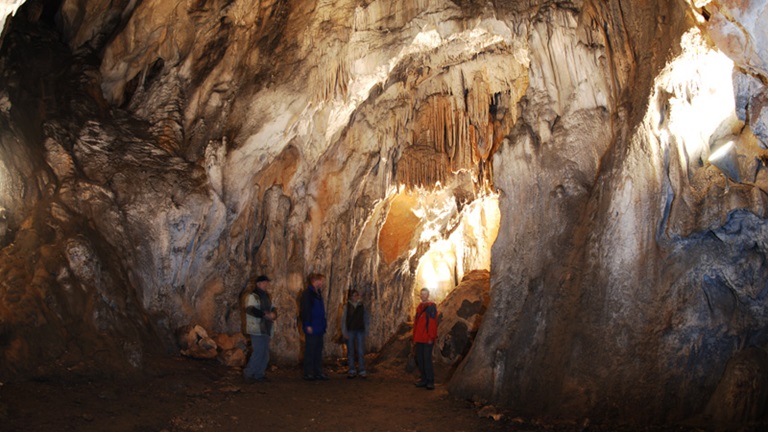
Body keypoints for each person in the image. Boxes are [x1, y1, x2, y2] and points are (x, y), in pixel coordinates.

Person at [243, 275, 277, 383]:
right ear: (258, 284)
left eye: (267, 282)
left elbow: (273, 308)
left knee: (265, 352)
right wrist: (264, 314)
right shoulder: (253, 296)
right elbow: (250, 309)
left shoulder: (267, 296)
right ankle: (249, 373)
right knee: (258, 351)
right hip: (257, 327)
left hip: (266, 327)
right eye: (264, 283)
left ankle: (259, 374)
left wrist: (274, 314)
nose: (266, 284)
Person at [300, 273, 328, 381]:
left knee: (318, 350)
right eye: (321, 280)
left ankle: (318, 371)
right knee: (310, 350)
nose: (322, 283)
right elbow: (305, 310)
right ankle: (308, 373)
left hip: (319, 327)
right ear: (315, 281)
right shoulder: (308, 294)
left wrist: (324, 324)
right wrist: (307, 324)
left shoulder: (318, 293)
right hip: (312, 326)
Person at [413, 288, 438, 390]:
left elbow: (432, 324)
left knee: (427, 360)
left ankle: (430, 381)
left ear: (428, 295)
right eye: (421, 294)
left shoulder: (431, 307)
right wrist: (414, 337)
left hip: (427, 338)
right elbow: (416, 324)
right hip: (419, 338)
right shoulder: (420, 307)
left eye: (425, 294)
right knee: (420, 359)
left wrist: (431, 337)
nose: (423, 296)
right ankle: (423, 379)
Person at [341, 289, 369, 379]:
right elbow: (343, 319)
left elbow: (366, 319)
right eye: (354, 295)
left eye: (357, 295)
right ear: (350, 297)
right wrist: (344, 331)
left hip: (360, 330)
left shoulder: (362, 306)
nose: (356, 297)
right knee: (351, 351)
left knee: (360, 351)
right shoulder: (346, 306)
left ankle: (362, 370)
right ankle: (351, 370)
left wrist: (366, 330)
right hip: (350, 330)